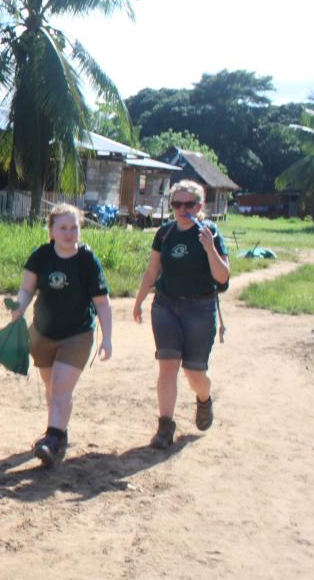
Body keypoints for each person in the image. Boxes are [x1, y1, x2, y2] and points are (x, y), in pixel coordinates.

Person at [9, 204, 113, 467]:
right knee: (52, 388)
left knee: (59, 389)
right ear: (52, 231)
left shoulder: (87, 260)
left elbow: (102, 302)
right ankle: (59, 435)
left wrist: (107, 338)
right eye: (63, 228)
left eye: (74, 227)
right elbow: (26, 290)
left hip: (77, 334)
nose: (69, 233)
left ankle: (51, 440)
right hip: (43, 333)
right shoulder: (41, 256)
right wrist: (18, 307)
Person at [133, 180, 229, 449]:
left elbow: (222, 276)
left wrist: (210, 248)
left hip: (200, 308)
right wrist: (139, 301)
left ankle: (204, 399)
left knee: (194, 372)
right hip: (166, 305)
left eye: (189, 204)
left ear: (200, 206)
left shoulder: (210, 232)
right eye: (177, 204)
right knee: (167, 365)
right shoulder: (164, 233)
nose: (183, 209)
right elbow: (152, 271)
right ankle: (165, 426)